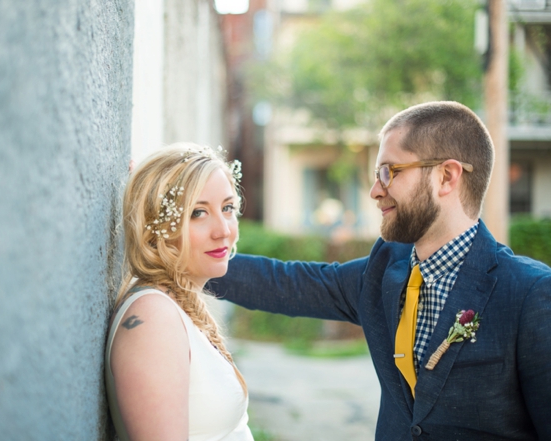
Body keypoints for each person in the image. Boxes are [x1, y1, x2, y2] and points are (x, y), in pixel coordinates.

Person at [209, 101, 551, 440]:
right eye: (377, 175)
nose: (375, 191)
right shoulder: (383, 271)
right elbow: (288, 283)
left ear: (447, 176)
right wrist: (191, 263)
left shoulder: (529, 293)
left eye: (391, 171)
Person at [105, 143, 254, 441]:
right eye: (198, 212)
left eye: (227, 208)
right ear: (155, 226)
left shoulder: (174, 305)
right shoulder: (152, 318)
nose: (223, 229)